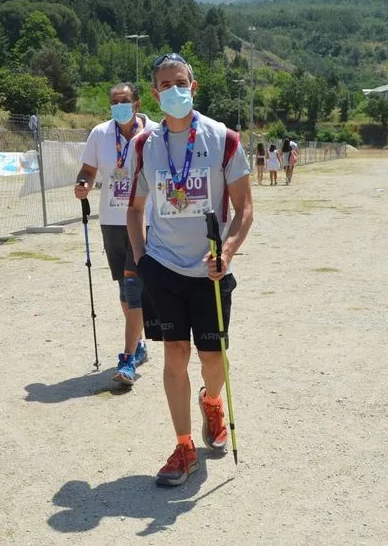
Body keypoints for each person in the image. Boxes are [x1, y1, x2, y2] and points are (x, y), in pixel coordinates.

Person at [127, 53, 253, 487]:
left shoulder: (224, 138)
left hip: (210, 272)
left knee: (212, 358)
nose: (174, 90)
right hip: (163, 268)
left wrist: (227, 253)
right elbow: (135, 209)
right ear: (154, 93)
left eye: (180, 82)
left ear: (193, 86)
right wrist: (142, 260)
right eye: (165, 85)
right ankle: (183, 446)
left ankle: (211, 401)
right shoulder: (144, 144)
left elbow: (245, 208)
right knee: (175, 353)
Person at [74, 82, 157, 387]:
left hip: (144, 219)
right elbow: (88, 169)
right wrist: (83, 183)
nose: (119, 106)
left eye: (124, 101)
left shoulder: (155, 133)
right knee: (124, 289)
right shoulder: (100, 133)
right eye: (114, 102)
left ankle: (128, 359)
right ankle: (139, 343)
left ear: (137, 104)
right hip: (111, 220)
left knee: (133, 286)